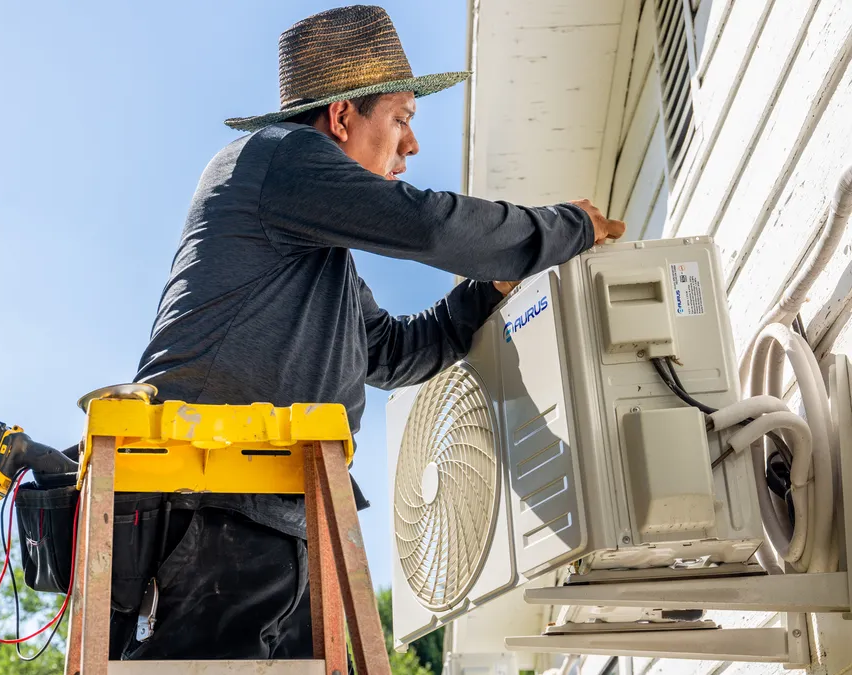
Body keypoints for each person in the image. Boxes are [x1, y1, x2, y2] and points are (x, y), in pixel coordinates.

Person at [105, 4, 626, 662]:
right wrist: (565, 227)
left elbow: (396, 350)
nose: (410, 144)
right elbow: (433, 228)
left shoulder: (314, 254)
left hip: (269, 519)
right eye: (401, 119)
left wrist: (490, 288)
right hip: (207, 508)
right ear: (343, 116)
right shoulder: (281, 158)